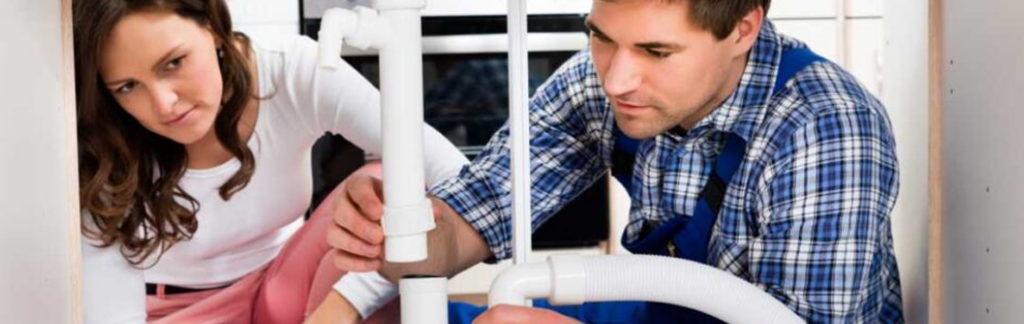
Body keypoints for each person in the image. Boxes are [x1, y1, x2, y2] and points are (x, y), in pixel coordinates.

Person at [311, 0, 906, 323]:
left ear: (744, 26)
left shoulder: (825, 128)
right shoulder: (595, 84)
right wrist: (401, 240)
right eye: (601, 36)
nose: (617, 78)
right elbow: (479, 213)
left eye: (656, 50)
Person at [73, 0, 468, 323]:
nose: (163, 103)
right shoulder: (100, 138)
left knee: (390, 175)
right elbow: (114, 312)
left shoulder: (291, 70)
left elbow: (455, 176)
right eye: (128, 86)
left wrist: (345, 305)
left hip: (284, 291)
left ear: (211, 25)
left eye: (173, 62)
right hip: (174, 310)